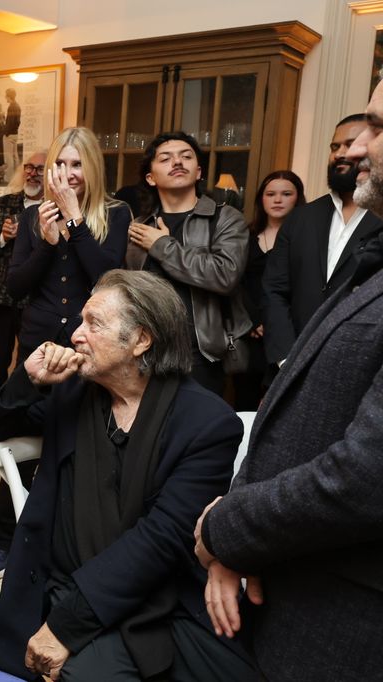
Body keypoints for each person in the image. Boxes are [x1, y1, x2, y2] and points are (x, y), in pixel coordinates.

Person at [0, 270, 257, 682]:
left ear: (141, 340)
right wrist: (28, 379)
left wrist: (65, 627)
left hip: (151, 596)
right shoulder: (70, 390)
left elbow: (161, 541)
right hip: (61, 582)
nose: (75, 334)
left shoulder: (206, 423)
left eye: (93, 323)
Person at [195, 80, 383, 682]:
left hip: (346, 624)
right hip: (291, 579)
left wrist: (224, 529)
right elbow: (287, 419)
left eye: (377, 130)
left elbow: (363, 477)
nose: (357, 149)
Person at [0, 128, 130, 582]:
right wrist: (46, 242)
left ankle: (65, 536)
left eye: (76, 164)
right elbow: (18, 285)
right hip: (38, 346)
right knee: (20, 440)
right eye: (59, 166)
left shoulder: (115, 214)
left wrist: (75, 223)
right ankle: (3, 537)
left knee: (77, 441)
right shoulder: (32, 217)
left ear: (92, 167)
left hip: (91, 348)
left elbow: (108, 277)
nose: (66, 174)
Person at [127, 131, 250, 396]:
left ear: (198, 172)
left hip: (202, 355)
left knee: (195, 434)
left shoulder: (225, 219)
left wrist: (162, 246)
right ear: (150, 177)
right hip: (147, 352)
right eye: (166, 158)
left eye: (186, 157)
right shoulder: (140, 226)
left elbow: (224, 275)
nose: (178, 163)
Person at [261, 114, 383, 368]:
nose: (340, 154)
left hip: (358, 367)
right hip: (289, 362)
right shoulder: (301, 217)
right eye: (334, 147)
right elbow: (275, 289)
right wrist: (286, 358)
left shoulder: (380, 217)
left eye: (349, 144)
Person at [0, 151, 45, 401]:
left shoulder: (54, 209)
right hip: (0, 298)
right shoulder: (3, 204)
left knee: (30, 365)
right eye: (29, 167)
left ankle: (21, 416)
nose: (32, 174)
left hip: (37, 300)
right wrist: (2, 238)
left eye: (40, 169)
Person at [233, 171, 306, 409]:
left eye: (286, 194)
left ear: (298, 199)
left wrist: (275, 322)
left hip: (288, 330)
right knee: (244, 401)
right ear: (261, 200)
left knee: (280, 402)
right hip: (249, 332)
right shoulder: (244, 235)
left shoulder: (306, 239)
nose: (277, 200)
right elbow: (234, 282)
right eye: (270, 194)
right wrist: (253, 320)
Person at [2, 89, 21, 183]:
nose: (5, 97)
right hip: (15, 134)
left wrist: (5, 132)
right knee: (15, 156)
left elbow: (9, 123)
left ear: (9, 96)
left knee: (9, 157)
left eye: (6, 96)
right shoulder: (17, 106)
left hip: (9, 135)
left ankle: (9, 178)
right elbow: (17, 122)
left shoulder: (11, 107)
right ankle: (17, 176)